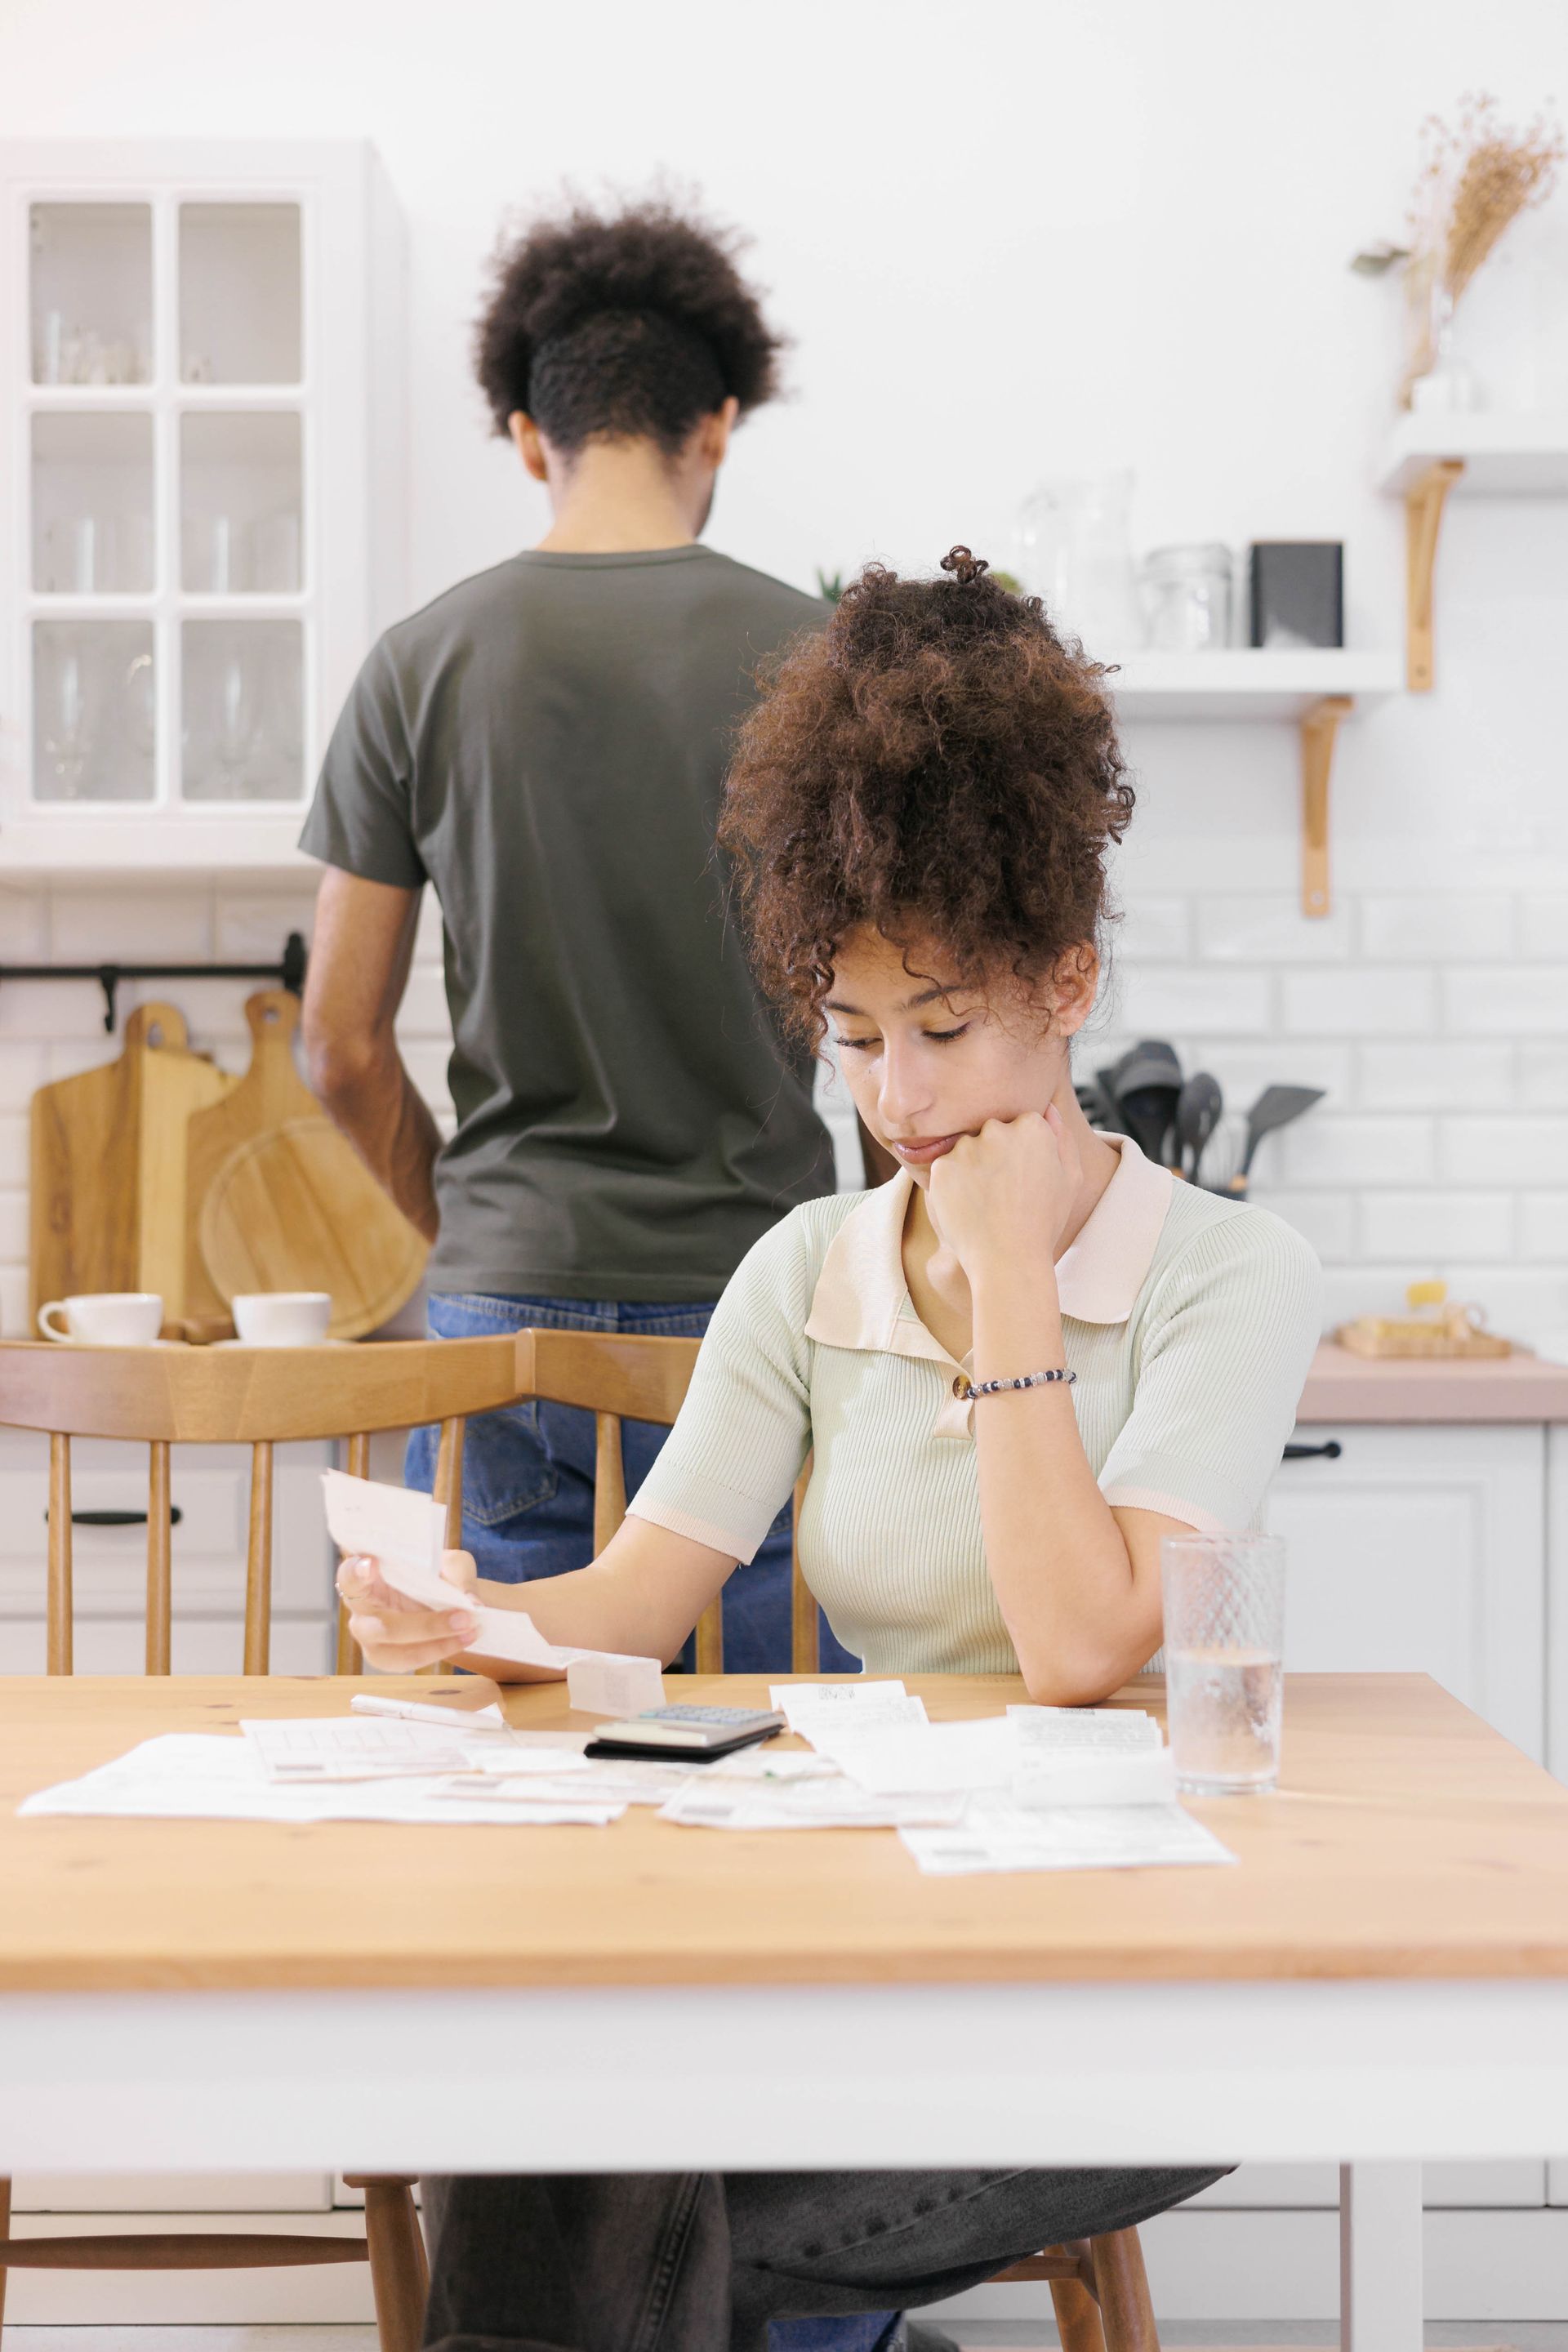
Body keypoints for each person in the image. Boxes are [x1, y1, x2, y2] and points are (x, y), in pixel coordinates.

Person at [339, 548, 1322, 2352]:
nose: (899, 1098)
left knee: (606, 2184)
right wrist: (478, 1621)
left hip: (1134, 1996)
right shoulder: (806, 1266)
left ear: (1068, 979)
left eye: (946, 1031)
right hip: (883, 1948)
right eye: (856, 1040)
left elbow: (1086, 1647)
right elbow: (646, 1590)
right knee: (575, 2132)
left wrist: (1015, 1280)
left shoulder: (1232, 1276)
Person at [299, 196, 855, 1673]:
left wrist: (476, 1241)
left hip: (504, 1303)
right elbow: (894, 1011)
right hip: (760, 1302)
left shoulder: (419, 662)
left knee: (494, 1775)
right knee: (771, 1775)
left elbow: (337, 1047)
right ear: (719, 425)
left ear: (530, 438)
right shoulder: (818, 662)